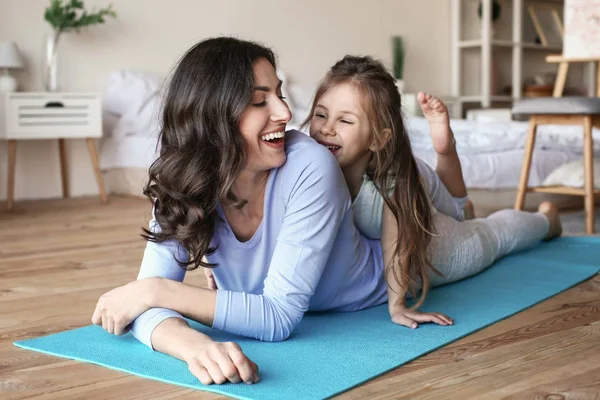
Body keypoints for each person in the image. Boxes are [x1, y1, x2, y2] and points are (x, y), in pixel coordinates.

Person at [304, 55, 562, 328]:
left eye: (345, 121)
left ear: (378, 138)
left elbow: (397, 246)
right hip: (414, 185)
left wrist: (398, 307)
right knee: (446, 200)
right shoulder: (308, 161)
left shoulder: (389, 187)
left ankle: (546, 221)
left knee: (491, 235)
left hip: (433, 236)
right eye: (320, 115)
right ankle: (461, 203)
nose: (326, 129)